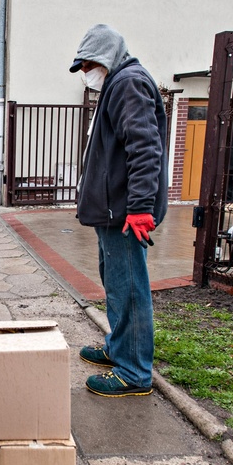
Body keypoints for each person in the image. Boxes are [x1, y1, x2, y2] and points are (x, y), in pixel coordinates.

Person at [69, 24, 168, 397]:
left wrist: (140, 207)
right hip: (113, 211)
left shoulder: (128, 82)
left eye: (87, 64)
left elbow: (145, 147)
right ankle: (118, 348)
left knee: (128, 289)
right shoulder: (118, 83)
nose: (84, 73)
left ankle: (134, 372)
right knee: (116, 284)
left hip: (126, 213)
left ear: (106, 57)